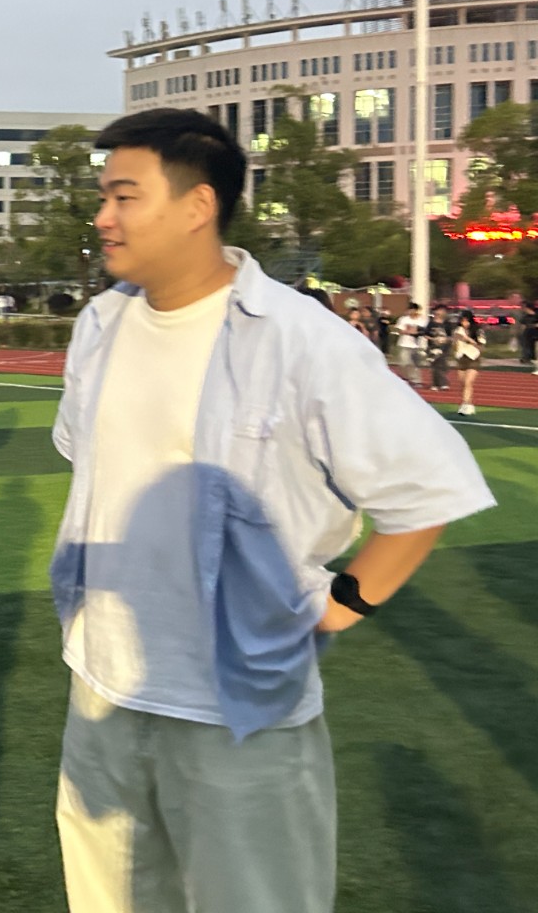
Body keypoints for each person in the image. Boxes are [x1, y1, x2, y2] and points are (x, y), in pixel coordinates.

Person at [50, 109, 493, 913]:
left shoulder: (300, 339)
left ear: (197, 205)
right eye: (103, 196)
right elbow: (96, 472)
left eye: (124, 196)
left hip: (239, 707)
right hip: (102, 688)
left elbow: (426, 488)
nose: (104, 217)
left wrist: (339, 606)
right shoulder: (100, 326)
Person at [452, 309, 484, 416]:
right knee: (463, 383)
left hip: (473, 357)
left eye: (466, 321)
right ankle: (469, 404)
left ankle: (465, 404)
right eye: (462, 321)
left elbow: (481, 344)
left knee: (468, 382)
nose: (464, 323)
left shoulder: (478, 331)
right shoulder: (458, 330)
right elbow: (455, 341)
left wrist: (468, 339)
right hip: (461, 357)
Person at [394, 301, 426, 387]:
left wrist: (416, 332)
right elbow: (400, 330)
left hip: (416, 345)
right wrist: (410, 332)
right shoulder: (403, 319)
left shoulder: (422, 320)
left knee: (415, 363)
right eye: (409, 309)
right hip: (404, 344)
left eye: (413, 309)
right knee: (404, 362)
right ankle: (405, 378)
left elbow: (424, 332)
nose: (411, 311)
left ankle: (416, 380)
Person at [427, 305, 453, 391]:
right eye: (437, 311)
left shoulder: (447, 324)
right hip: (432, 347)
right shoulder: (431, 323)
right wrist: (434, 339)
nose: (438, 313)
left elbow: (451, 336)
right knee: (434, 365)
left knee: (441, 365)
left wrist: (445, 340)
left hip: (444, 347)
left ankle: (442, 383)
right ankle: (437, 383)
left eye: (441, 311)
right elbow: (426, 334)